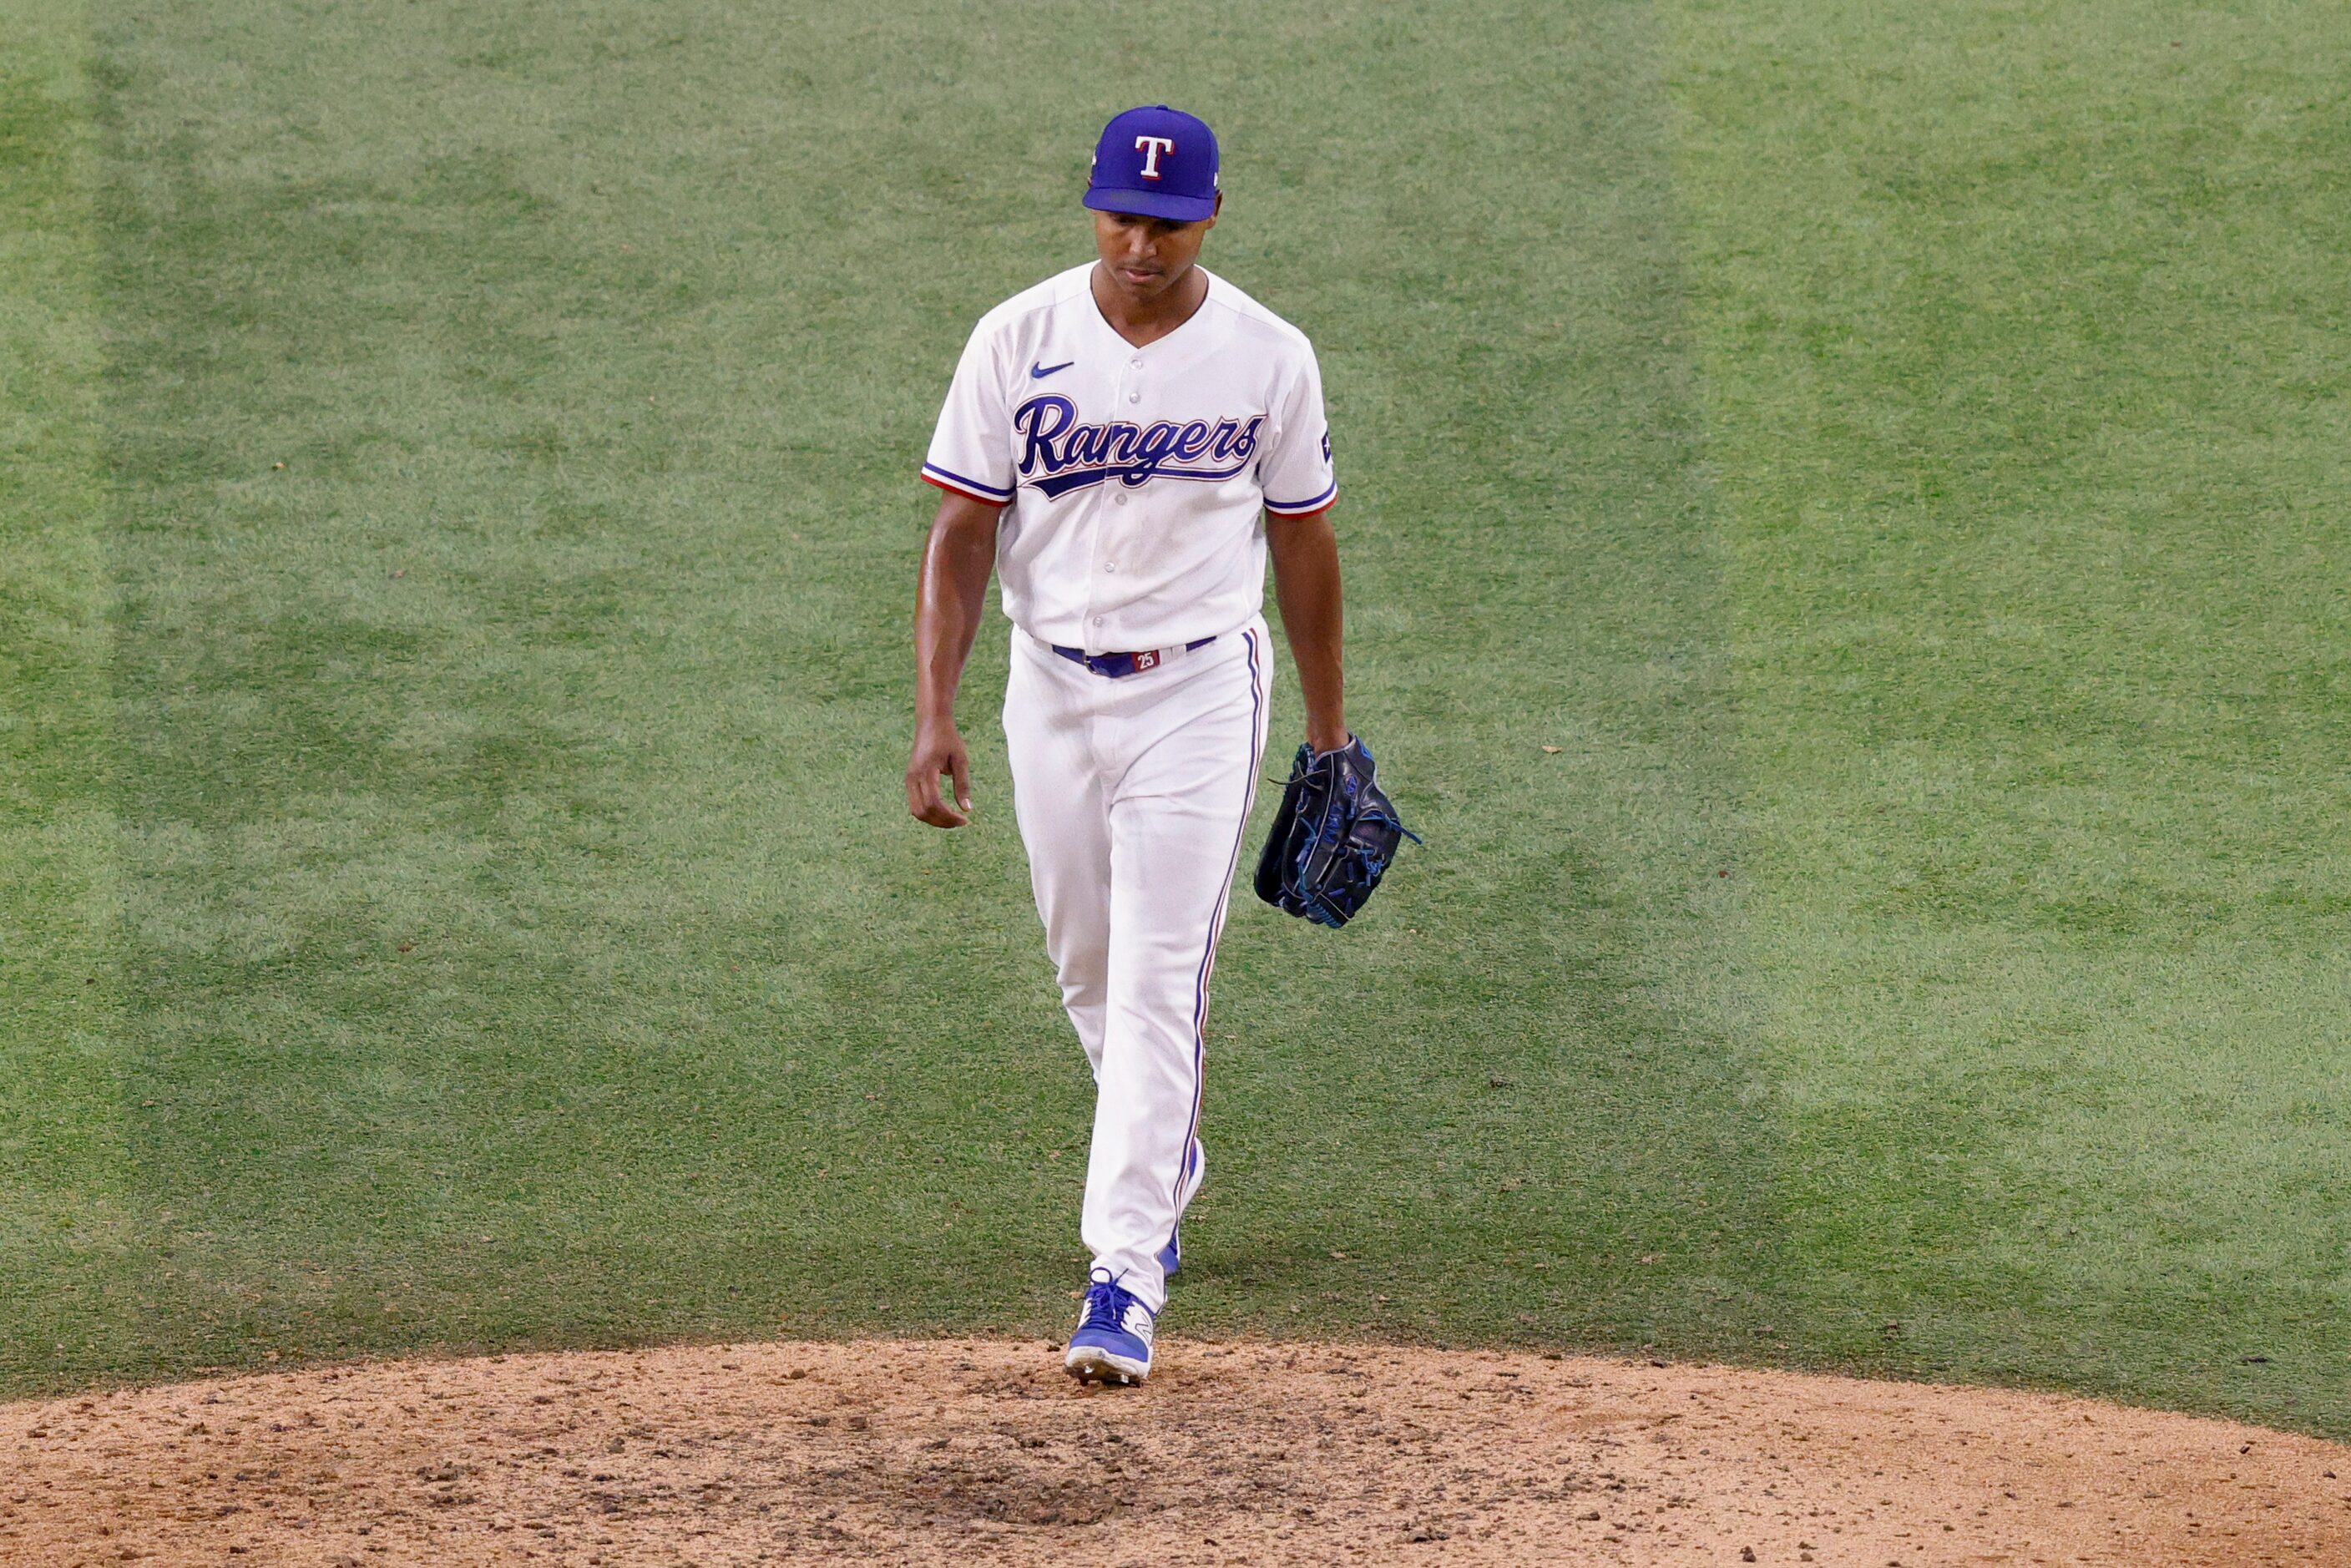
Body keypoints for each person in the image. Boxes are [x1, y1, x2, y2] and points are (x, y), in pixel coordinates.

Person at [905, 104, 1348, 1385]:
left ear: (1212, 215)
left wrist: (1324, 724)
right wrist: (935, 708)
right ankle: (1163, 1154)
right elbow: (961, 535)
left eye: (1166, 220)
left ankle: (1125, 1274)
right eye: (1120, 215)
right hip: (1047, 687)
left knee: (1162, 976)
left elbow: (1305, 542)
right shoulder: (1017, 338)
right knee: (1088, 969)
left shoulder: (1269, 355)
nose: (1140, 243)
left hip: (1202, 693)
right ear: (1091, 206)